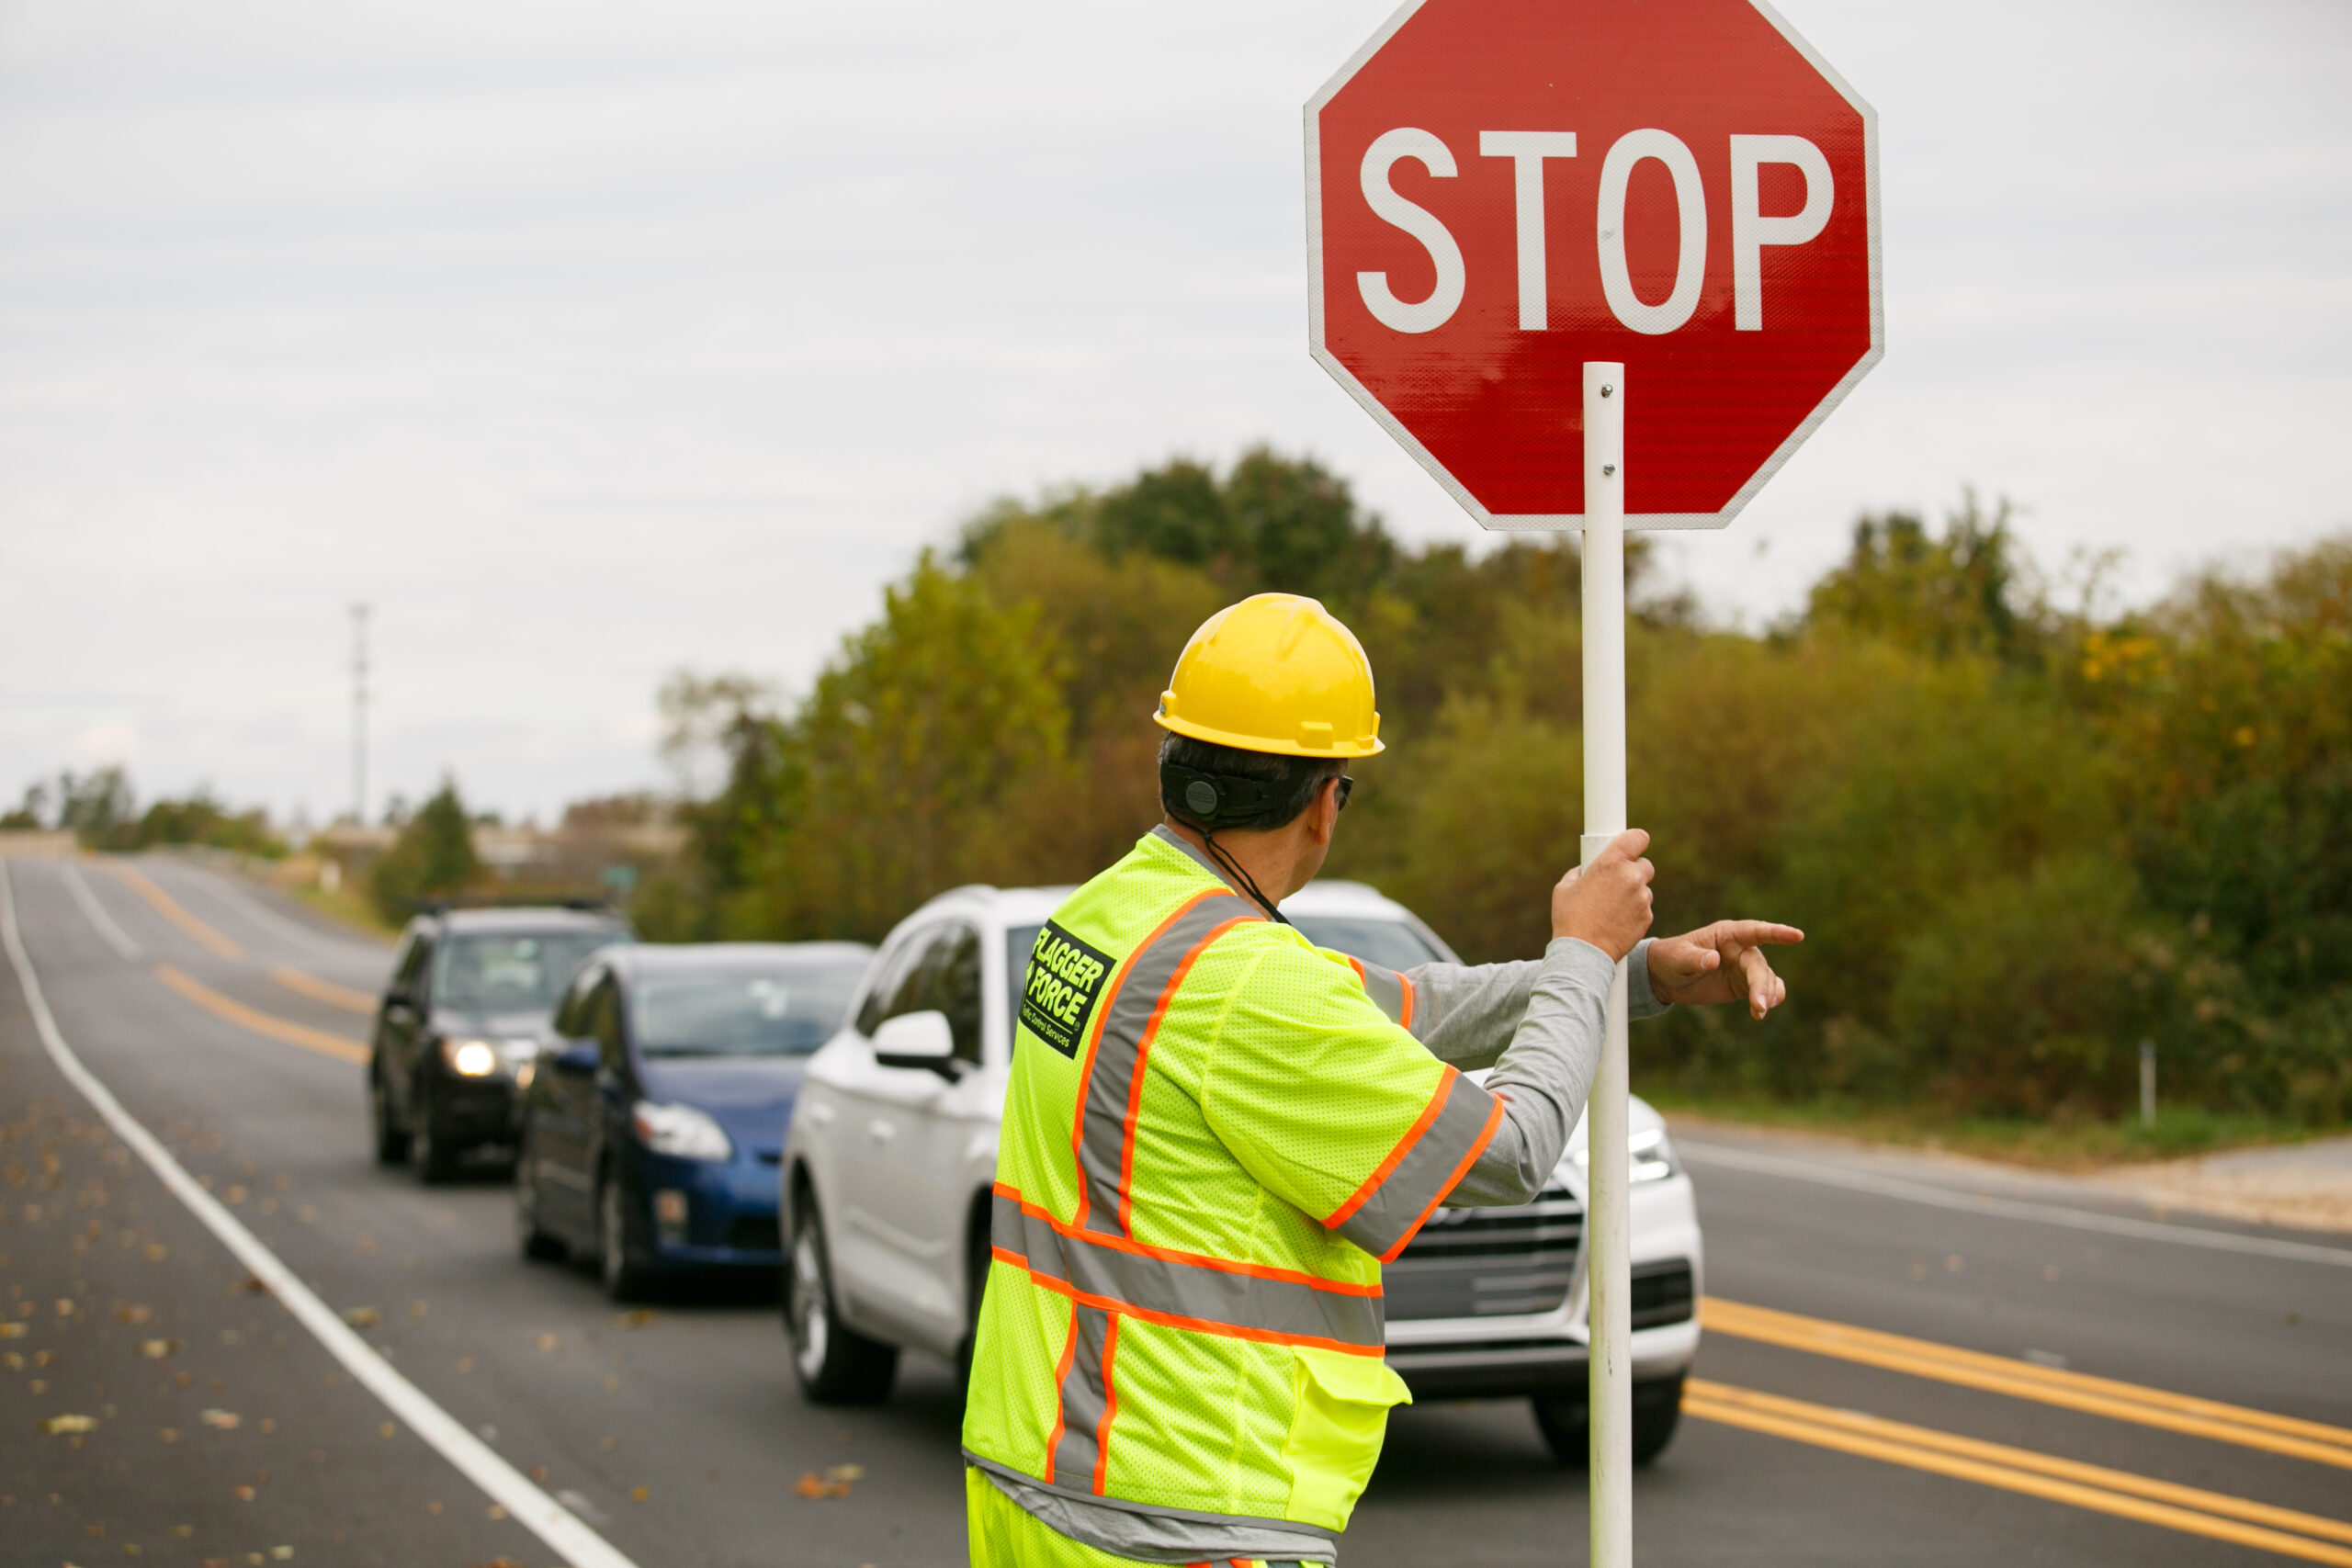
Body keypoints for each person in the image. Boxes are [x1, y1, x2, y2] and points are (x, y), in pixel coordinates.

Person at [963, 593, 1801, 1567]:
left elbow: (1397, 1004)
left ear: (1177, 766)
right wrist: (1578, 954)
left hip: (1039, 1482)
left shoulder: (1116, 913)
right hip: (1187, 1507)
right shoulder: (1244, 977)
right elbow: (1508, 1150)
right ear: (1327, 802)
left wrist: (1629, 973)